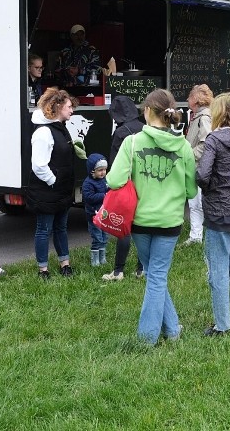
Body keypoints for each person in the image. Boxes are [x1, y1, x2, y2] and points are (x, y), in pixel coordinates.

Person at [106, 89, 196, 345]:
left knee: (154, 274)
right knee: (157, 275)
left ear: (146, 111)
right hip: (170, 223)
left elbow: (113, 180)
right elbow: (191, 190)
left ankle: (147, 339)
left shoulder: (131, 143)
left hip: (139, 222)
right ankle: (172, 330)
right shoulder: (184, 147)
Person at [196, 92, 230, 335]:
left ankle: (222, 325)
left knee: (218, 271)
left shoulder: (213, 140)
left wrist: (211, 190)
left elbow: (202, 175)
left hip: (218, 212)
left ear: (218, 113)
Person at [26, 87, 78, 279]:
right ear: (57, 107)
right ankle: (43, 269)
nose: (72, 110)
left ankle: (65, 264)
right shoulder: (43, 132)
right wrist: (54, 181)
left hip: (61, 189)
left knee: (61, 228)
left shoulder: (60, 127)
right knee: (44, 229)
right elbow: (39, 165)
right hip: (47, 190)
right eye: (69, 106)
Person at [102, 95, 145, 281]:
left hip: (126, 185)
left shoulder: (120, 133)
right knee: (142, 228)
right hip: (144, 184)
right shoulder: (145, 128)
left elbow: (114, 164)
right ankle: (141, 268)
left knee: (124, 228)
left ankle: (118, 271)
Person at [183, 84, 214, 246]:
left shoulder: (204, 118)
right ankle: (196, 237)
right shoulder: (198, 116)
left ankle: (199, 236)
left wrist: (188, 156)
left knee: (198, 204)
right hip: (197, 167)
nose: (188, 99)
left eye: (190, 96)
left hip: (200, 168)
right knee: (194, 203)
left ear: (196, 99)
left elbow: (206, 144)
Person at [82, 153, 109, 267]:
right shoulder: (88, 183)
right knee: (97, 237)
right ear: (92, 171)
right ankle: (95, 260)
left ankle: (102, 258)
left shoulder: (104, 180)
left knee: (104, 236)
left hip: (104, 214)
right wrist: (104, 195)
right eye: (100, 170)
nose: (103, 172)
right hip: (94, 215)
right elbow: (89, 197)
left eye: (104, 169)